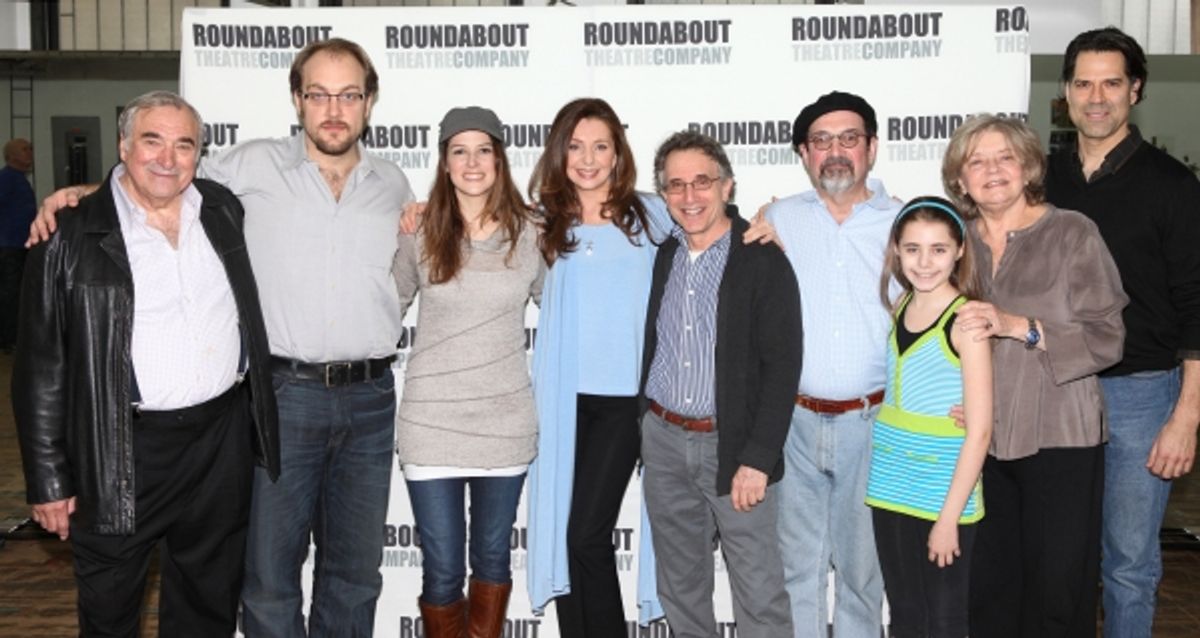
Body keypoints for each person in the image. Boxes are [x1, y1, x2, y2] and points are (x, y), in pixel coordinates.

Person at [29, 38, 416, 637]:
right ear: (297, 100)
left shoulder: (393, 183)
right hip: (283, 397)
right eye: (318, 94)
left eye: (349, 95)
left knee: (355, 574)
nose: (333, 109)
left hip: (369, 402)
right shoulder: (246, 166)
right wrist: (81, 197)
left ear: (369, 103)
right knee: (267, 577)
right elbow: (156, 177)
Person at [12, 91, 279, 636]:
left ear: (198, 155)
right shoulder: (66, 235)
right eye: (152, 141)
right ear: (124, 146)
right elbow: (40, 369)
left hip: (219, 441)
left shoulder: (223, 209)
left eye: (184, 145)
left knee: (208, 604)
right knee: (110, 611)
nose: (167, 158)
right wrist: (47, 480)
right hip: (119, 449)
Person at [945, 115, 1127, 638]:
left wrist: (1017, 326)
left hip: (1061, 437)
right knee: (991, 591)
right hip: (984, 444)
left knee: (1056, 592)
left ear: (1028, 167)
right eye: (975, 162)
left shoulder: (1072, 232)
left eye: (1004, 157)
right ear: (959, 180)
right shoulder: (956, 244)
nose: (992, 170)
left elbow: (1107, 337)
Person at [1045, 27, 1200, 638]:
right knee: (1061, 560)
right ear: (1065, 93)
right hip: (1056, 391)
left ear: (1135, 89)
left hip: (1141, 397)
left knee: (1129, 567)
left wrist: (1185, 418)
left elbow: (1197, 305)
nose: (1097, 96)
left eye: (1112, 82)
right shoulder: (1045, 178)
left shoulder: (1173, 185)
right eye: (1083, 83)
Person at [639, 130, 801, 638]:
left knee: (758, 593)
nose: (690, 197)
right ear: (663, 195)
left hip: (732, 449)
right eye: (676, 186)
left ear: (727, 186)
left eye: (702, 182)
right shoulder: (663, 253)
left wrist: (756, 459)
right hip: (663, 442)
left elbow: (782, 367)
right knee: (681, 589)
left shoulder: (761, 257)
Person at [392, 106, 544, 638]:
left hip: (505, 425)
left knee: (493, 563)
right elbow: (386, 306)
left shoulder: (532, 234)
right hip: (430, 427)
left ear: (500, 159)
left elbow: (566, 309)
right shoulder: (418, 230)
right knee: (442, 573)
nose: (472, 161)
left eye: (484, 149)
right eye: (460, 150)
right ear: (444, 162)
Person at [524, 97, 668, 636]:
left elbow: (718, 230)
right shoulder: (541, 222)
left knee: (586, 533)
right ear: (560, 153)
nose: (588, 159)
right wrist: (417, 211)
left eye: (601, 146)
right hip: (562, 404)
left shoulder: (652, 214)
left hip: (626, 404)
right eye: (577, 146)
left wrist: (764, 223)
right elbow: (472, 224)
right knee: (566, 536)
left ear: (618, 152)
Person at [763, 90, 896, 637]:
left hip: (874, 425)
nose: (835, 151)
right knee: (796, 571)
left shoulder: (905, 223)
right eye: (821, 141)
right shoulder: (777, 219)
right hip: (792, 425)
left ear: (872, 147)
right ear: (803, 152)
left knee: (864, 576)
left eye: (848, 139)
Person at [865, 196, 992, 638]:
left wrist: (948, 519)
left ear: (959, 250)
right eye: (913, 248)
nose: (924, 262)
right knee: (906, 614)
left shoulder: (965, 321)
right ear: (896, 251)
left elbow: (979, 433)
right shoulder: (902, 305)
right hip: (890, 485)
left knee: (944, 618)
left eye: (938, 249)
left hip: (943, 492)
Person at [0, 137, 35, 352]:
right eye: (25, 149)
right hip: (8, 246)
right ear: (12, 155)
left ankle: (12, 337)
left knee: (16, 293)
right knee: (10, 293)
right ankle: (8, 340)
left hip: (19, 245)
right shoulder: (6, 179)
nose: (30, 152)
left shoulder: (19, 180)